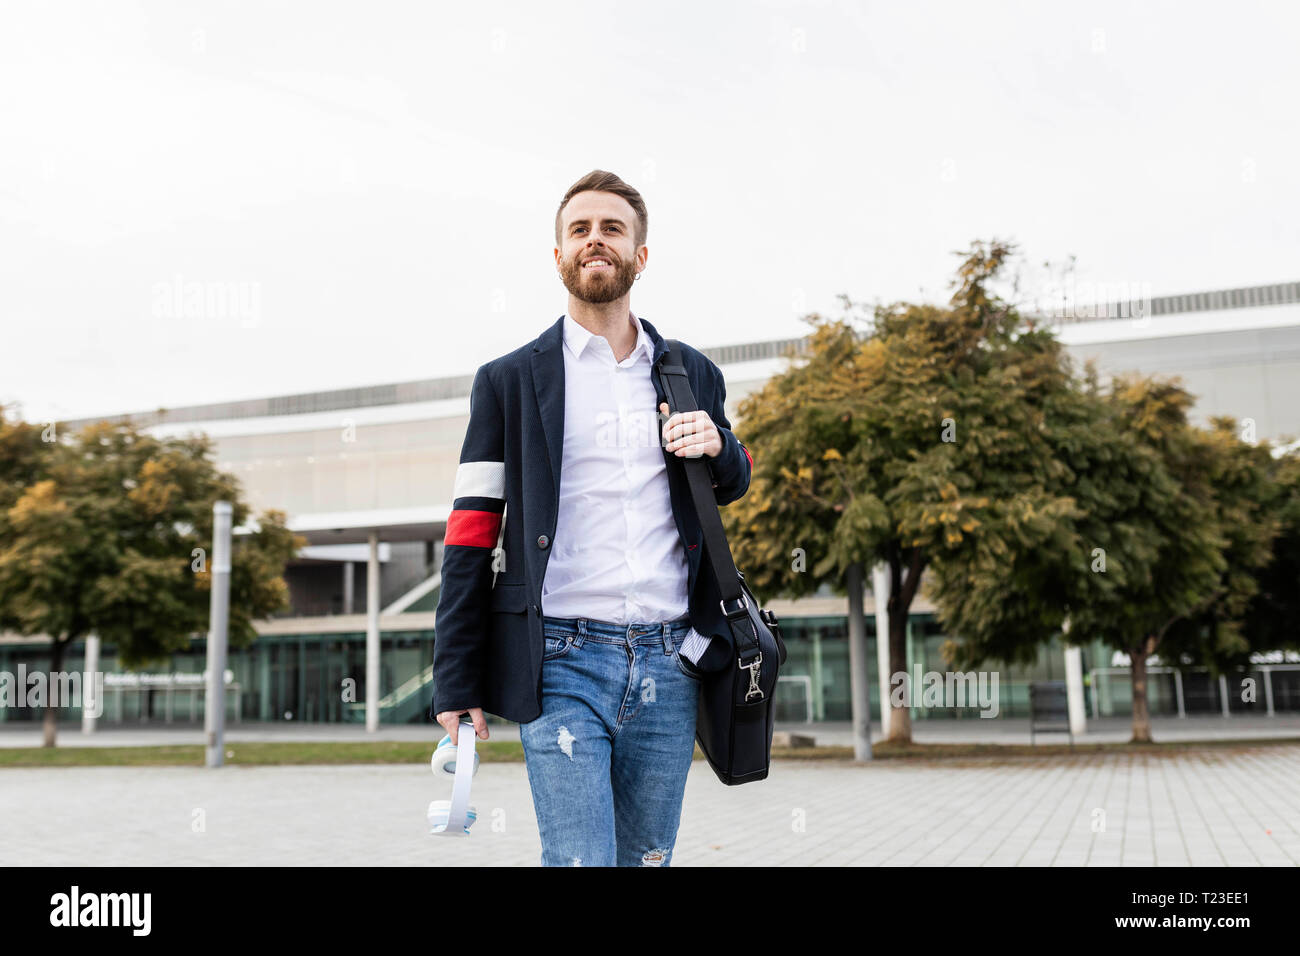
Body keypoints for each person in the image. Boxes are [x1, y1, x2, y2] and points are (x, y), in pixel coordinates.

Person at [430, 169, 754, 866]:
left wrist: (720, 446)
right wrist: (454, 679)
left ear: (640, 256)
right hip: (561, 662)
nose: (594, 240)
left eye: (612, 228)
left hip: (672, 662)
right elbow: (469, 535)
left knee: (647, 860)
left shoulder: (690, 371)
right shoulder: (509, 381)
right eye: (579, 229)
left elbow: (732, 480)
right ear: (558, 257)